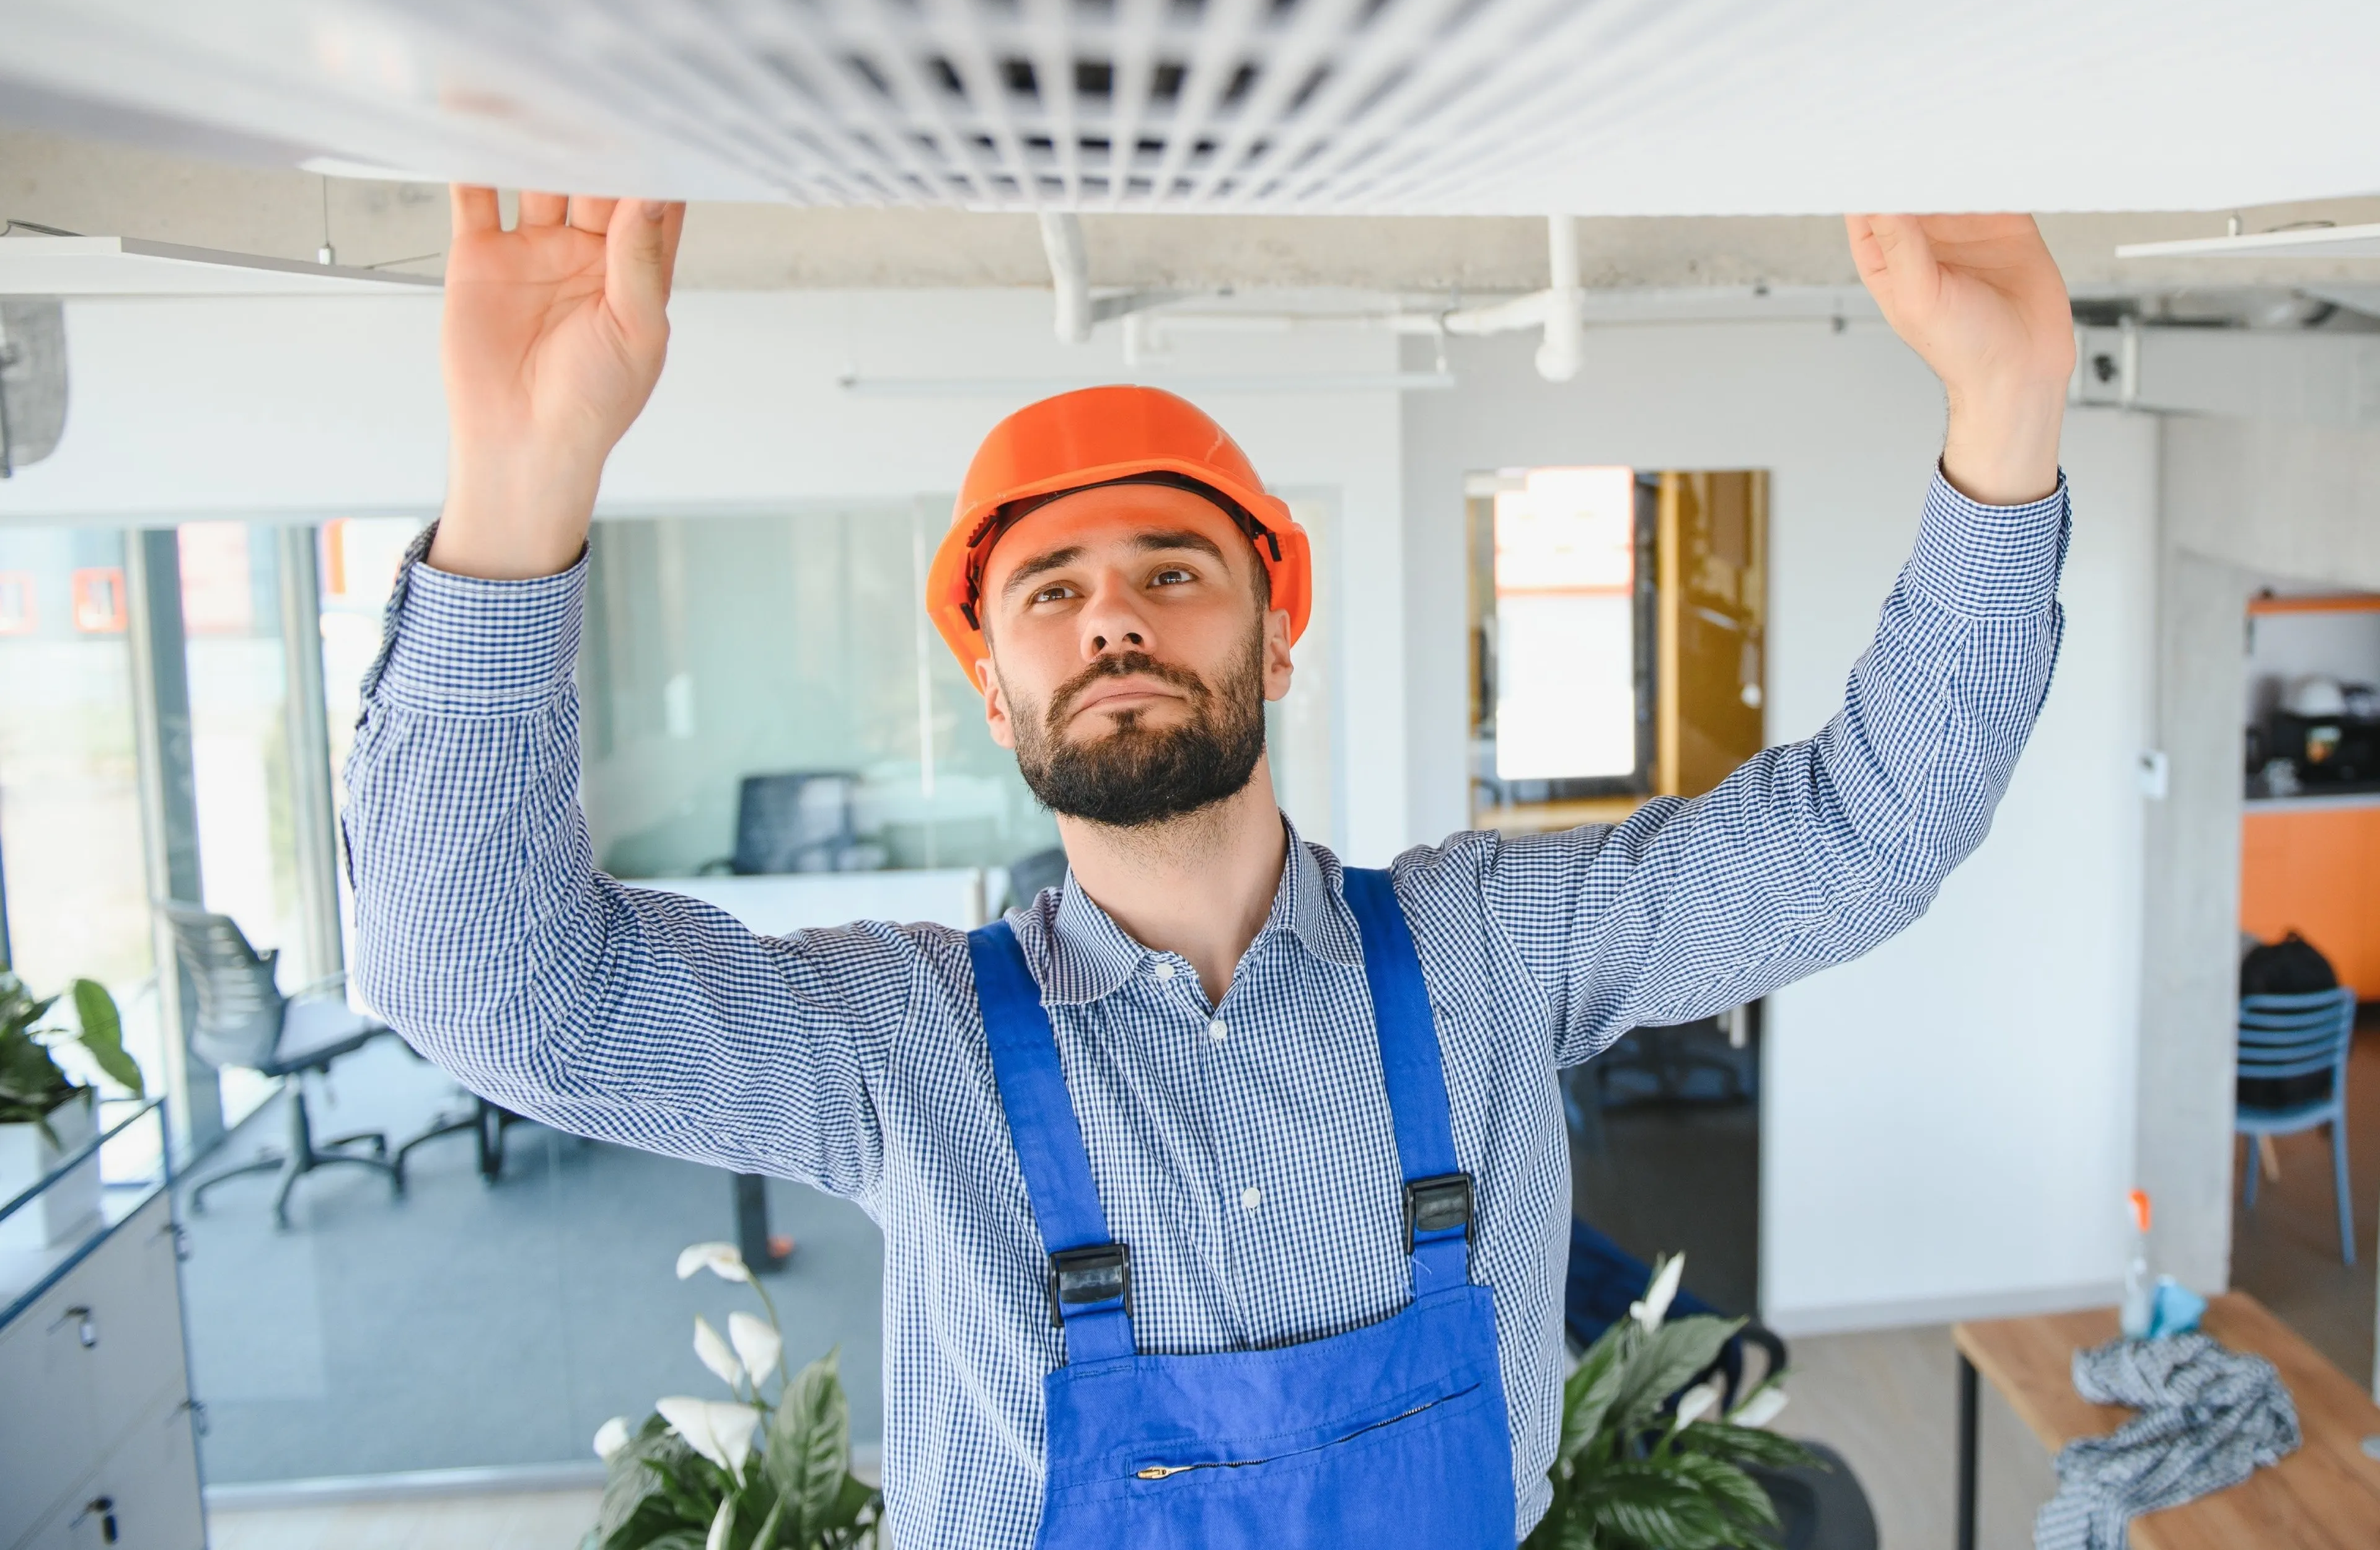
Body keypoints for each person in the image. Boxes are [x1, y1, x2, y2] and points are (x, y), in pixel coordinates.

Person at [346, 187, 2075, 1548]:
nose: (1112, 611)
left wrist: (2008, 404)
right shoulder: (900, 1044)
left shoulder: (1491, 949)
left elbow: (1868, 833)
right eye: (1051, 588)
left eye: (1174, 568)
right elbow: (493, 988)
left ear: (1277, 633)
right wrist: (523, 478)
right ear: (994, 684)